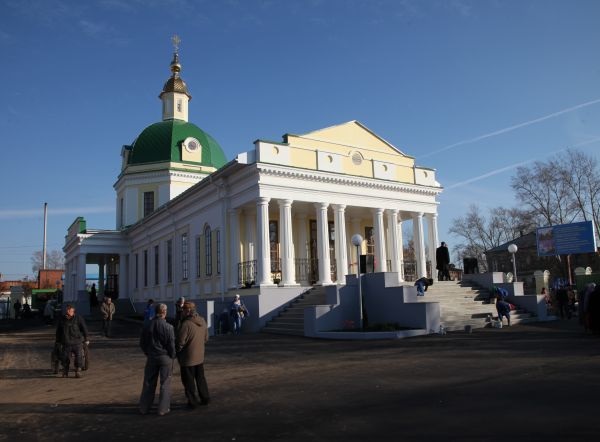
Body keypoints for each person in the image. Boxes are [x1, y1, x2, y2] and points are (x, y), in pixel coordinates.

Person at [139, 303, 176, 416]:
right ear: (164, 312)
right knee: (165, 383)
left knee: (148, 382)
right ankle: (163, 408)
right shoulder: (168, 327)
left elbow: (142, 343)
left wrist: (148, 352)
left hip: (152, 356)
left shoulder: (147, 324)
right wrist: (172, 355)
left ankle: (144, 408)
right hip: (165, 357)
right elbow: (171, 345)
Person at [176, 301, 210, 408]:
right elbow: (206, 338)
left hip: (187, 358)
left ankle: (192, 402)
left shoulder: (186, 324)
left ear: (187, 311)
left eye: (183, 310)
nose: (182, 312)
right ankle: (205, 398)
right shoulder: (203, 321)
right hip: (200, 356)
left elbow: (180, 343)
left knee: (188, 381)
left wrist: (177, 352)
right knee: (201, 378)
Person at [55, 304, 89, 378]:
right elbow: (59, 331)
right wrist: (57, 341)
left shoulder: (78, 318)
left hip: (77, 342)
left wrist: (86, 338)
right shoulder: (62, 319)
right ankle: (65, 370)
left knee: (79, 356)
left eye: (70, 310)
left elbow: (84, 328)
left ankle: (78, 370)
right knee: (64, 357)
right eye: (67, 310)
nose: (68, 311)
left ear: (73, 311)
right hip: (66, 343)